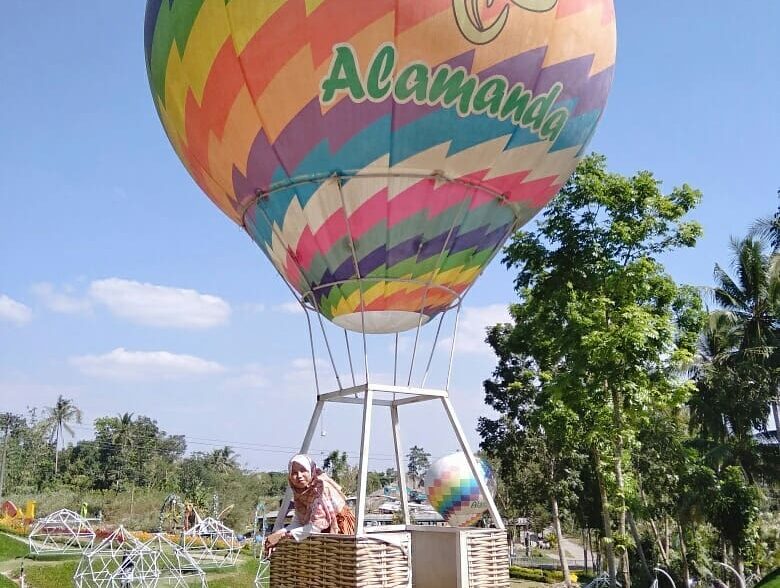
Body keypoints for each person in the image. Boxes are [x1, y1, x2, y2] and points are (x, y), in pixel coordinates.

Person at [264, 454, 356, 552]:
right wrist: (279, 533)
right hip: (315, 530)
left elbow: (316, 527)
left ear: (311, 471)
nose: (299, 476)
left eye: (303, 470)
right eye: (294, 473)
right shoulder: (300, 492)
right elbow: (299, 521)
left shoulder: (319, 489)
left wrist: (284, 535)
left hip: (338, 527)